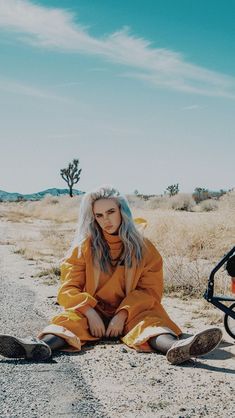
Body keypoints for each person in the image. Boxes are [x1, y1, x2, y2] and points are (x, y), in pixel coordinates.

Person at [0, 186, 222, 365]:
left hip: (131, 312)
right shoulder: (83, 248)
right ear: (93, 218)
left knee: (150, 322)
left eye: (110, 212)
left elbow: (149, 291)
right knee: (69, 322)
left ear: (122, 211)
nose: (106, 220)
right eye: (99, 215)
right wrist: (89, 311)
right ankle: (39, 346)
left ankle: (176, 348)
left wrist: (122, 314)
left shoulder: (144, 248)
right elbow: (68, 288)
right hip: (91, 313)